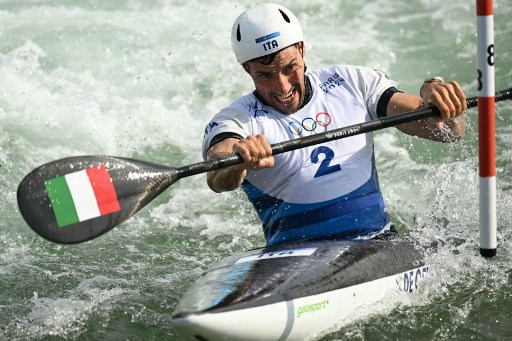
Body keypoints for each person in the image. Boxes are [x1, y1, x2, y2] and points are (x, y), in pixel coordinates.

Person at [201, 3, 466, 246]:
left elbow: (450, 132)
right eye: (264, 75)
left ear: (302, 49)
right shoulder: (236, 120)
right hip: (292, 257)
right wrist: (238, 160)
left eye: (290, 67)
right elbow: (215, 175)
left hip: (378, 242)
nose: (282, 86)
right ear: (247, 69)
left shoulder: (352, 83)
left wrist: (434, 93)